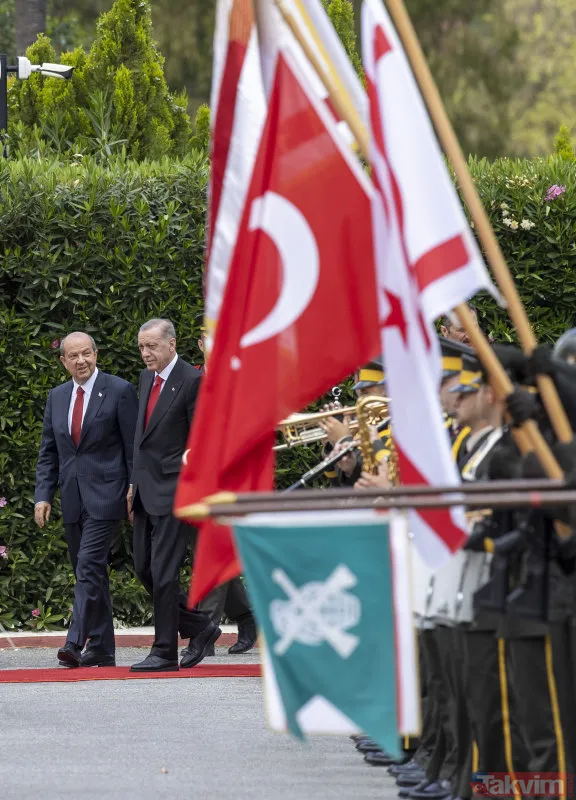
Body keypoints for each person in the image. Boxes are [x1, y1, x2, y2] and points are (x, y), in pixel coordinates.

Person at [34, 332, 137, 668]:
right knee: (92, 575)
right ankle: (104, 648)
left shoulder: (119, 390)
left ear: (96, 353)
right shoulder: (57, 396)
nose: (81, 361)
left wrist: (135, 487)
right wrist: (42, 495)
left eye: (86, 354)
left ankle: (74, 643)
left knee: (88, 566)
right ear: (63, 361)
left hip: (108, 495)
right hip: (73, 497)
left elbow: (133, 446)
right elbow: (49, 451)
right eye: (73, 356)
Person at [129, 318, 219, 672]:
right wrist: (133, 484)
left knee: (164, 573)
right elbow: (141, 436)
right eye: (141, 347)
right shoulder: (145, 378)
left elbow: (201, 440)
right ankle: (201, 626)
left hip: (175, 489)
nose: (145, 353)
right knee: (144, 570)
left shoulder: (193, 380)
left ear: (172, 344)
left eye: (151, 346)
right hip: (144, 489)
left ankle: (164, 650)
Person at [193, 320, 257, 656]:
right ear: (201, 343)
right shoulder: (188, 379)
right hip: (191, 479)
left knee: (214, 549)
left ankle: (205, 632)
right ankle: (247, 614)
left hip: (228, 479)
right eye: (209, 339)